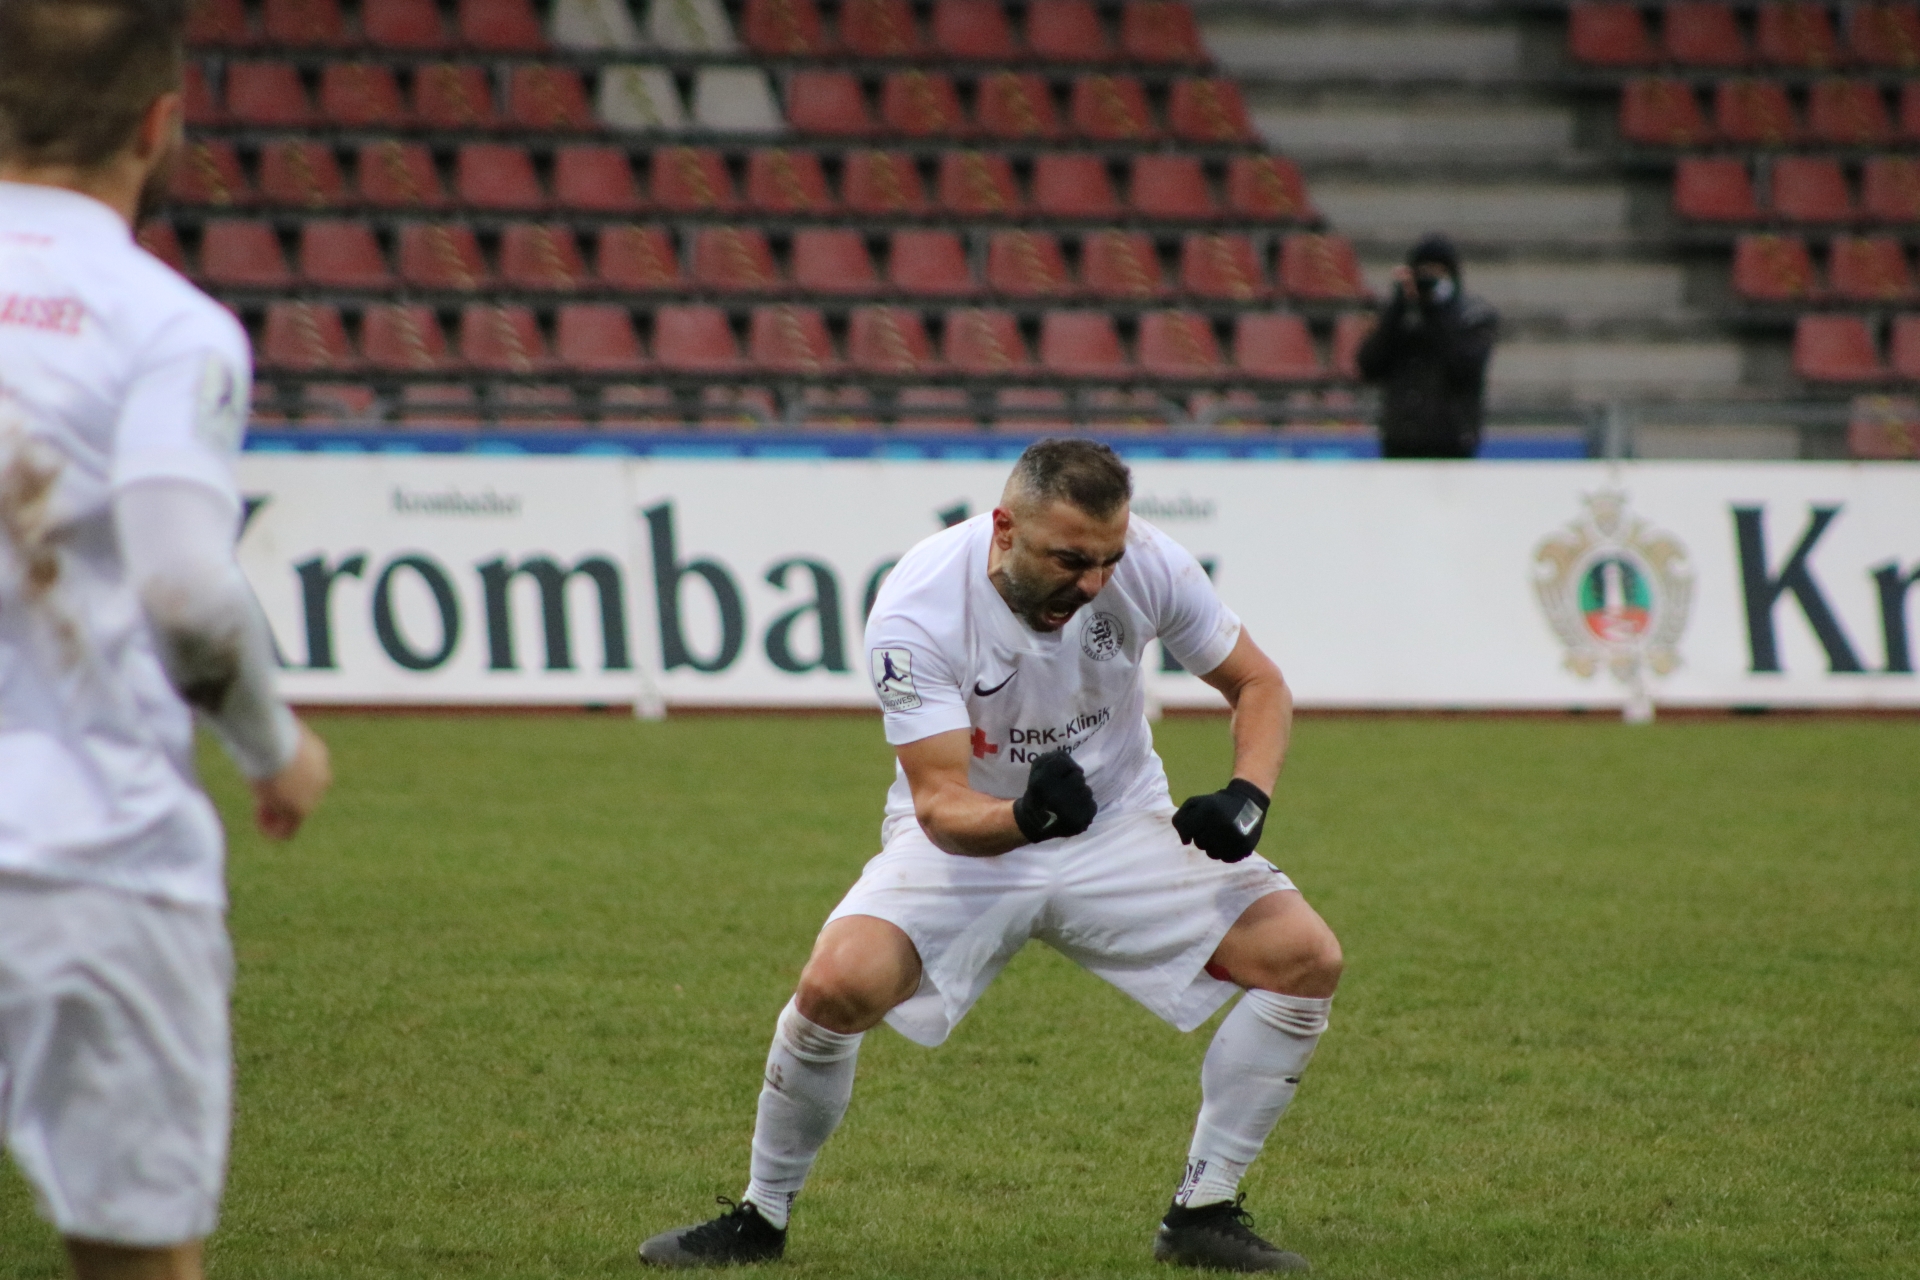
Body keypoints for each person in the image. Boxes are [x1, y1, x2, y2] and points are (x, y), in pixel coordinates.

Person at [640, 439, 1343, 1274]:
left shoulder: (1151, 563)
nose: (1093, 584)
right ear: (1005, 529)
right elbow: (939, 803)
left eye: (1107, 561)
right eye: (1069, 560)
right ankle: (760, 1217)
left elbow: (1258, 683)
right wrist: (1025, 814)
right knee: (836, 986)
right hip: (970, 838)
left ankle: (1203, 1209)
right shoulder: (917, 608)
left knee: (1304, 959)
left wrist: (1248, 796)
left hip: (1118, 825)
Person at [0, 3, 332, 1278]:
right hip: (95, 860)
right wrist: (273, 747)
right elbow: (187, 587)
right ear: (158, 123)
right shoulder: (165, 324)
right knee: (134, 1258)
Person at [1355, 233, 1499, 460]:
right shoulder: (1401, 317)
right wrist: (1397, 308)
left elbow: (1464, 367)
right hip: (1400, 443)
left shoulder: (1473, 317)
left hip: (1451, 445)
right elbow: (1369, 366)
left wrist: (1437, 311)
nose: (1427, 281)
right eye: (1422, 273)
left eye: (1436, 274)